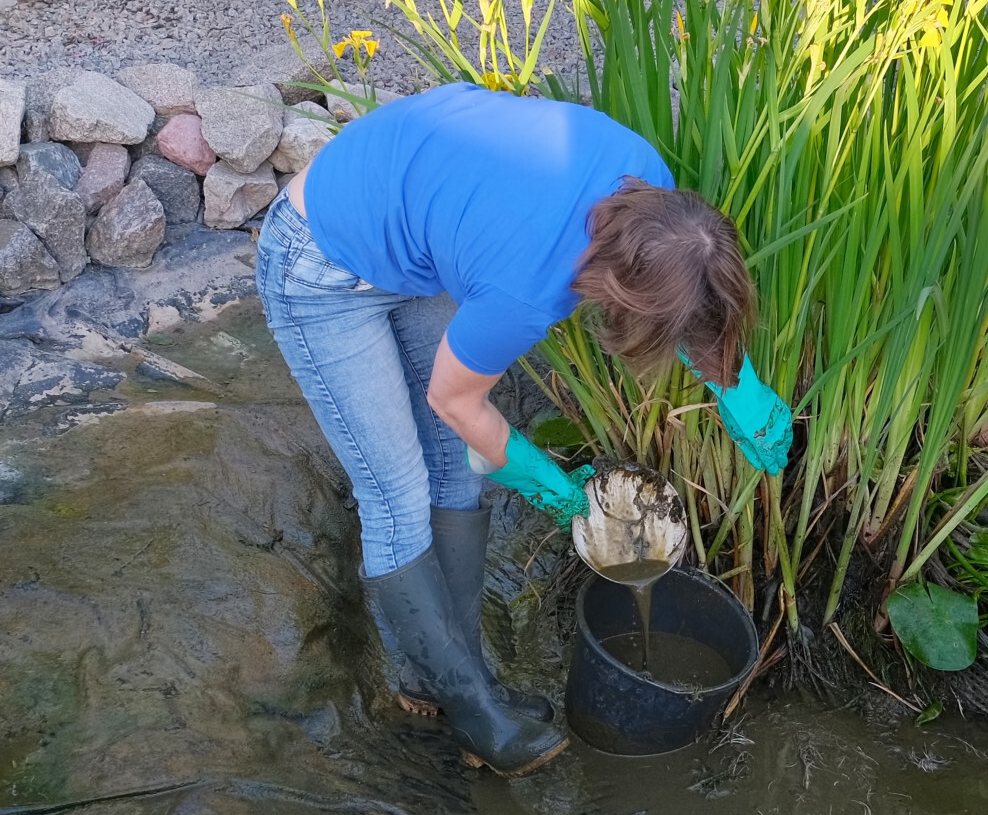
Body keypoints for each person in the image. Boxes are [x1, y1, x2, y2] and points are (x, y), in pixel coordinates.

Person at [257, 83, 793, 776]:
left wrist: (734, 382)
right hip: (318, 260)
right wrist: (544, 480)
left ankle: (447, 676)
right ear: (618, 294)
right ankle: (475, 711)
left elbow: (682, 291)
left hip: (404, 229)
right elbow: (456, 401)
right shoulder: (527, 288)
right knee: (396, 488)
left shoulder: (653, 196)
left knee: (453, 469)